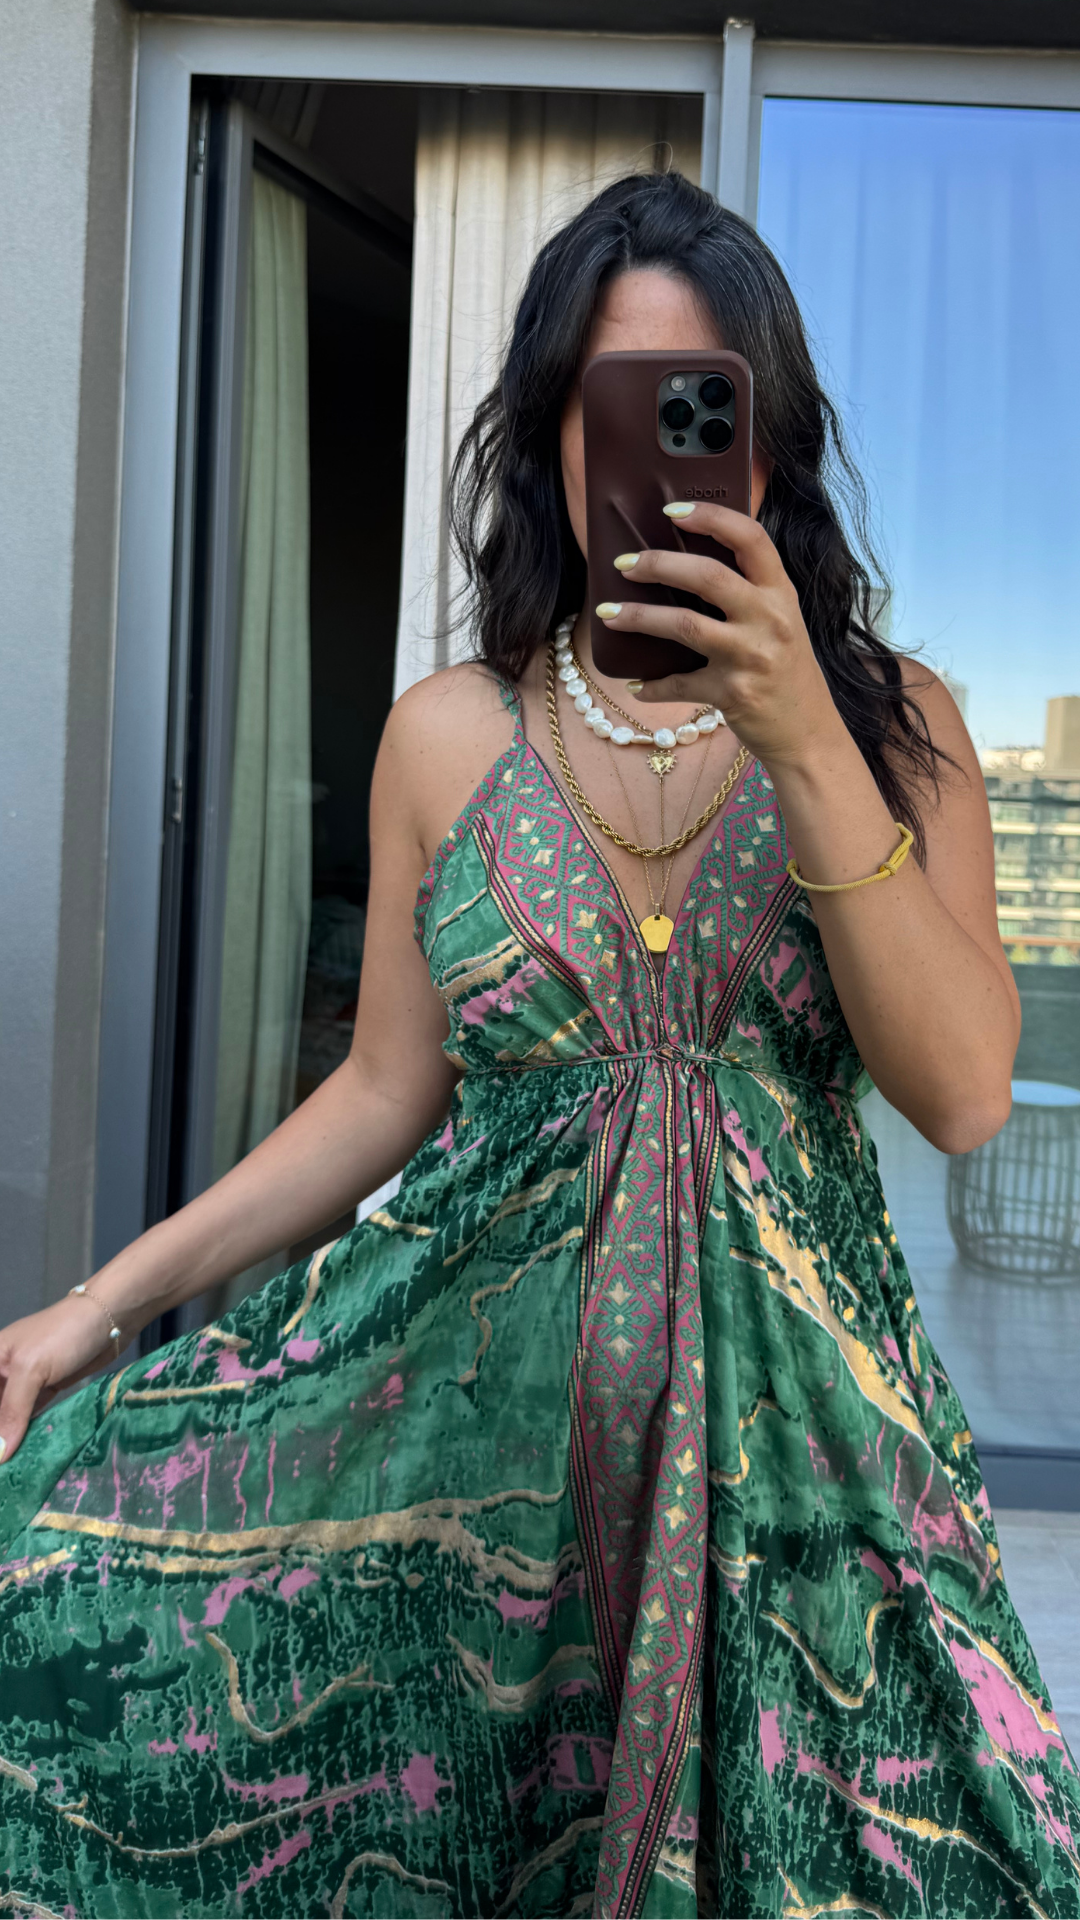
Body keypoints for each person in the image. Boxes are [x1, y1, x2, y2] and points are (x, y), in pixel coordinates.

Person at [0, 169, 1076, 1920]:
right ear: (548, 437)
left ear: (769, 445)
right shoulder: (447, 735)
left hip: (811, 1496)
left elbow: (958, 1093)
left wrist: (804, 734)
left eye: (699, 407)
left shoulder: (896, 724)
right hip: (480, 1499)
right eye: (606, 405)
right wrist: (100, 1306)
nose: (650, 458)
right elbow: (380, 1093)